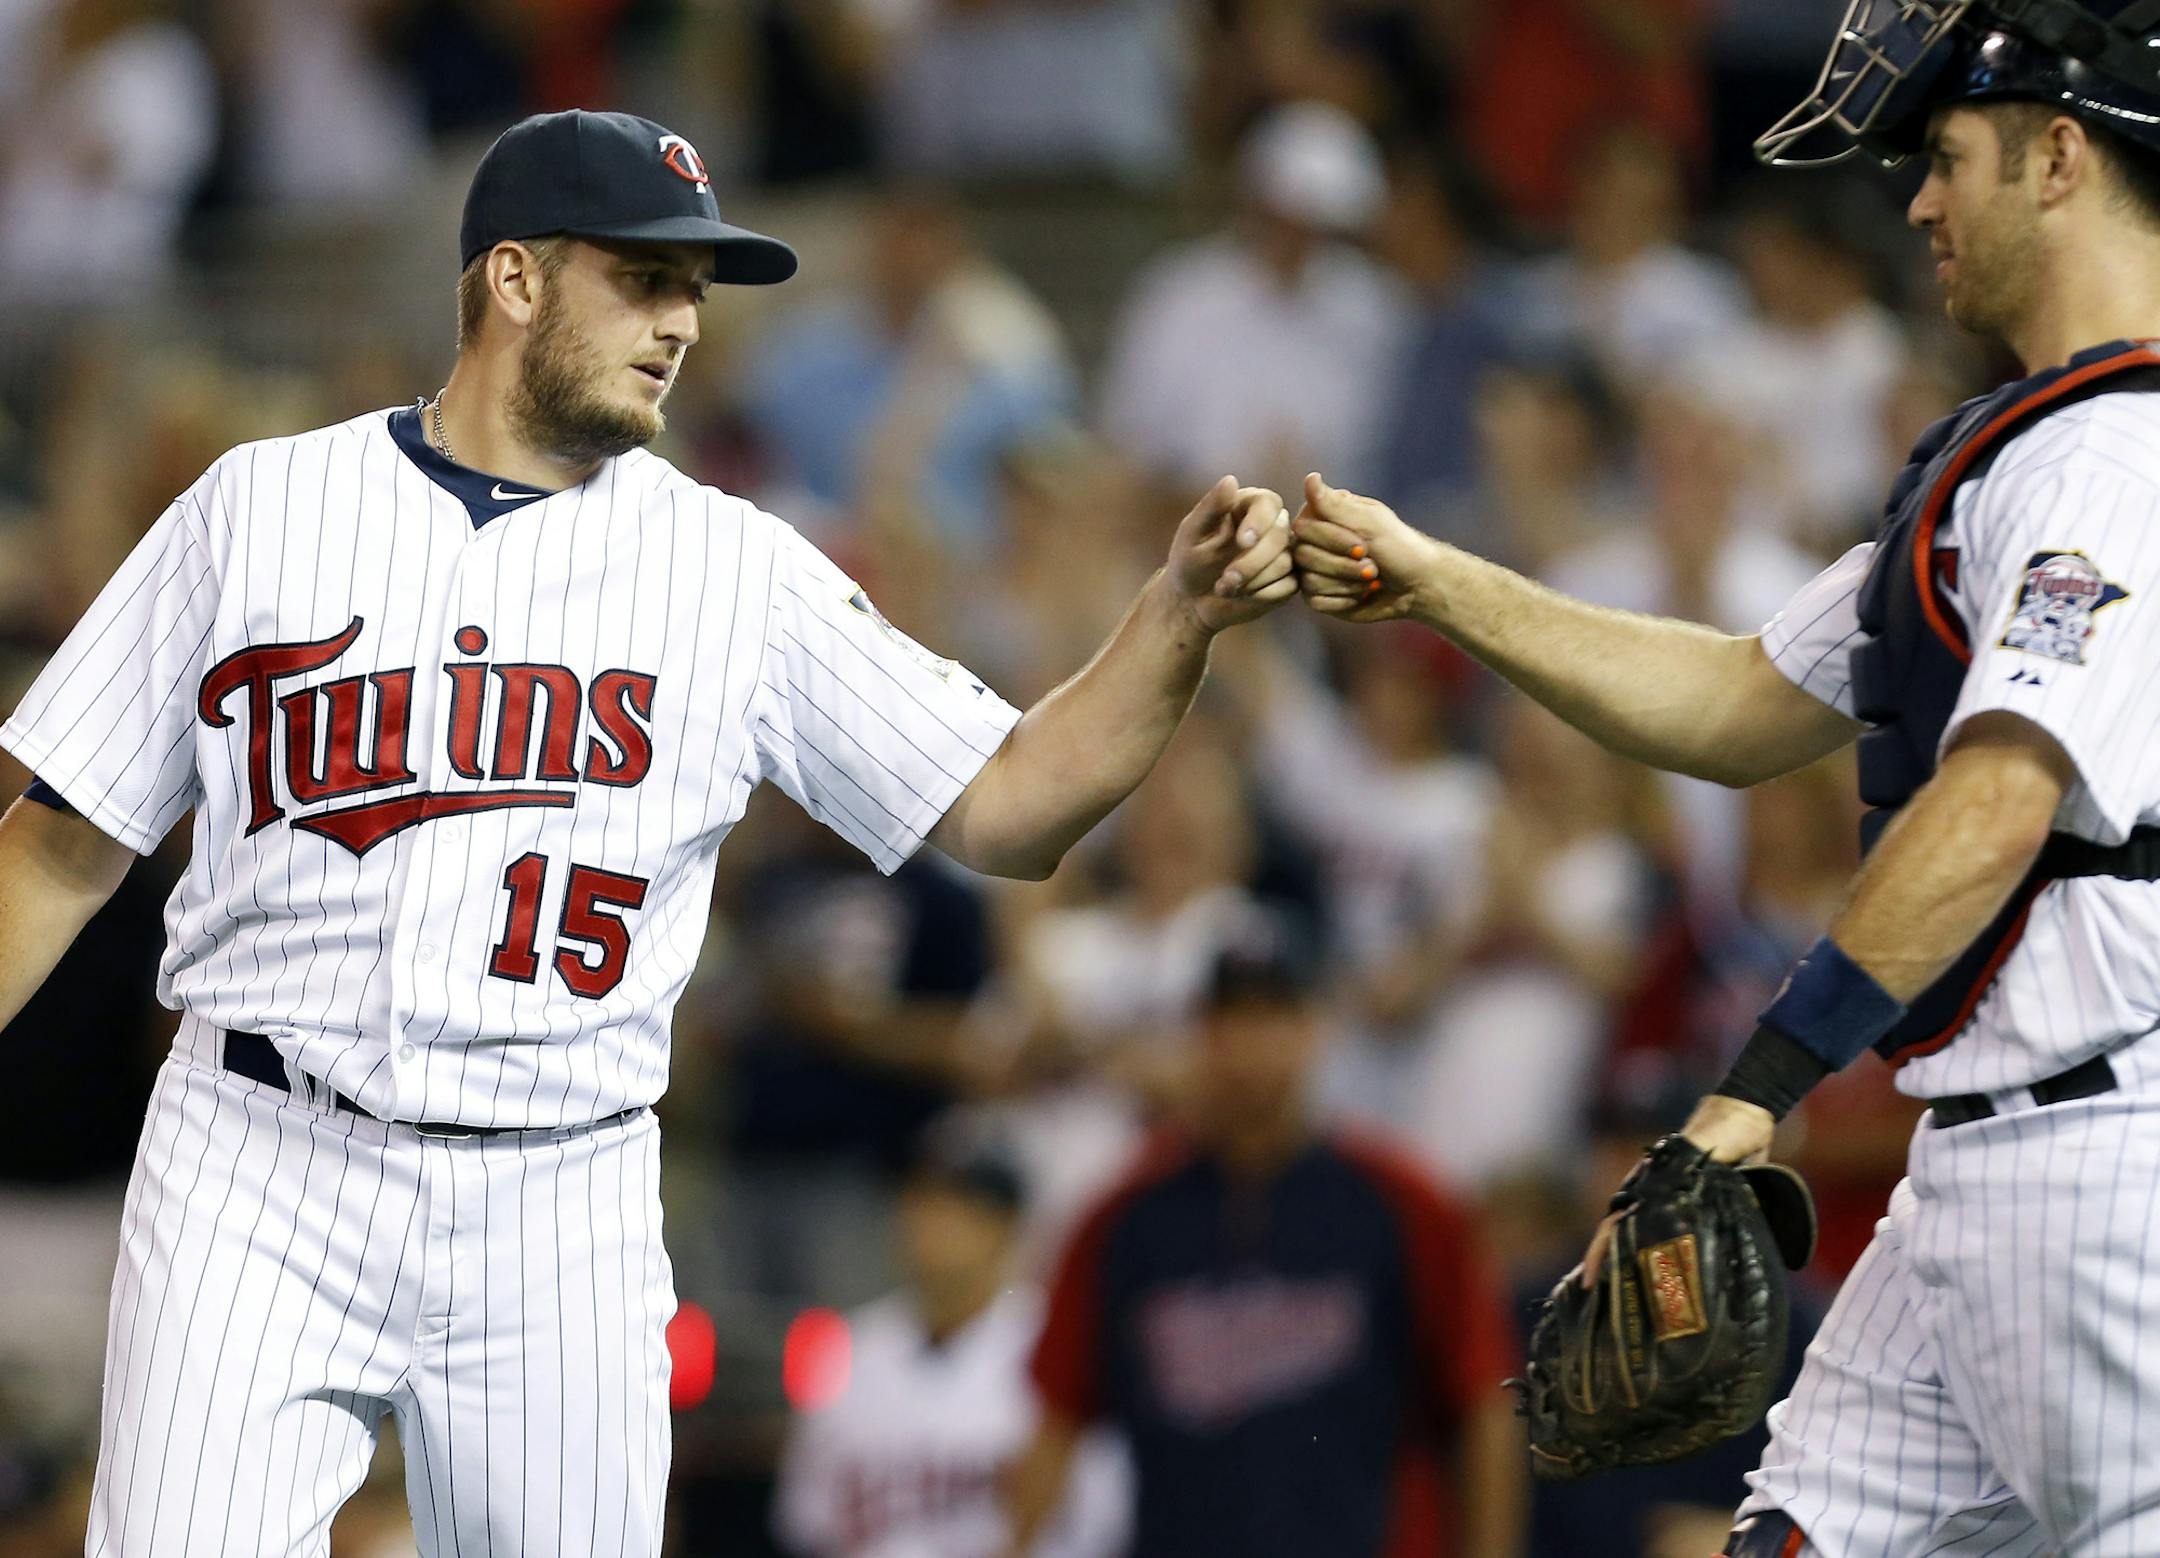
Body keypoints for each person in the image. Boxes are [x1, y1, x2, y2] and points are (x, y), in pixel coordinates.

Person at [0, 108, 1299, 1555]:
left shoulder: (726, 566)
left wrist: (1173, 619)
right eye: (645, 278)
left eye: (695, 288)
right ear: (513, 281)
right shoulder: (257, 509)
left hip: (560, 1186)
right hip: (259, 1150)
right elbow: (53, 845)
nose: (683, 322)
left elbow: (1009, 804)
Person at [1289, 3, 2160, 1550]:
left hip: (2105, 1168)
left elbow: (1998, 798)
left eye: (1949, 158)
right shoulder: (2027, 452)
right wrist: (1437, 583)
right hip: (1983, 1163)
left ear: (2063, 158)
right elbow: (1743, 697)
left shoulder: (2116, 460)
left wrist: (1759, 1086)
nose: (1918, 201)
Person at [1004, 922, 1526, 1558]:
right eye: (1230, 1021)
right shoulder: (1124, 1217)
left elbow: (1484, 1404)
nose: (1250, 1047)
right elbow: (1057, 1419)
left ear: (1316, 1030)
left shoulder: (1403, 1200)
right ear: (1198, 1036)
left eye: (1273, 1017)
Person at [771, 1116, 1130, 1558]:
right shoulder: (847, 1347)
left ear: (1009, 1226)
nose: (931, 1222)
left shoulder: (1053, 1343)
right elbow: (807, 1523)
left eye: (960, 1205)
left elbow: (1099, 1524)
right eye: (920, 1199)